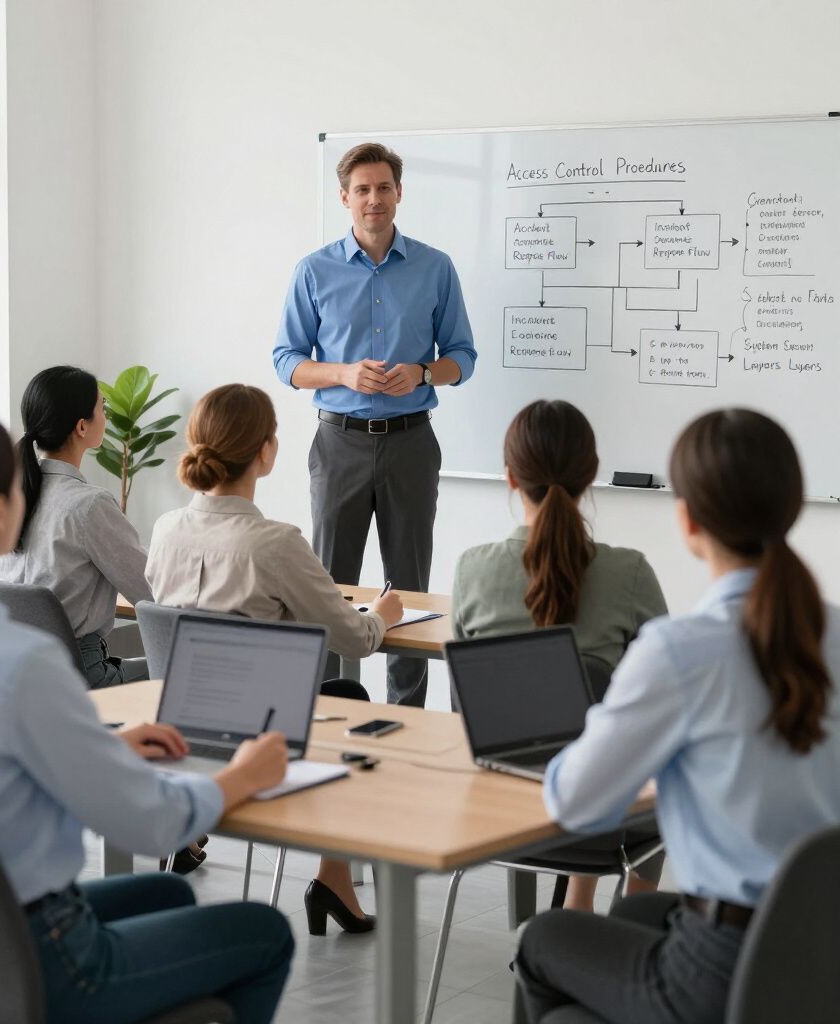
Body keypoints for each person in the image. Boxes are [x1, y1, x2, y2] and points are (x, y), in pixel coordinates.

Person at [0, 409, 295, 1023]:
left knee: (166, 892)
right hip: (39, 955)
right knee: (264, 933)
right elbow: (152, 825)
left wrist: (101, 750)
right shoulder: (19, 662)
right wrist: (244, 776)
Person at [516, 408, 840, 1024]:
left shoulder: (680, 650)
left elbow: (577, 806)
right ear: (792, 509)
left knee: (544, 937)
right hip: (823, 952)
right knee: (635, 914)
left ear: (688, 519)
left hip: (723, 970)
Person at [147, 383, 403, 933]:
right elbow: (355, 640)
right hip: (258, 732)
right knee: (352, 698)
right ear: (266, 452)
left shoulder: (165, 530)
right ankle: (334, 877)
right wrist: (384, 614)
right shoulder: (276, 543)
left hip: (178, 723)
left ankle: (191, 832)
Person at [273, 141, 477, 707]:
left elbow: (464, 356)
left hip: (411, 444)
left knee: (408, 589)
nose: (373, 199)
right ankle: (328, 708)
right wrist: (342, 373)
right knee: (326, 586)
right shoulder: (314, 270)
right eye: (361, 189)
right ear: (344, 197)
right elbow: (286, 360)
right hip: (338, 443)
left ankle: (406, 716)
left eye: (383, 187)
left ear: (399, 193)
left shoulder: (435, 267)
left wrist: (423, 372)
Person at [452, 400, 668, 912]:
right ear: (590, 476)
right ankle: (629, 924)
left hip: (494, 813)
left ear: (510, 477)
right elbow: (665, 694)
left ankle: (577, 904)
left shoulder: (472, 570)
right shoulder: (629, 574)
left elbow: (463, 706)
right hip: (602, 821)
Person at [0, 366, 151, 689]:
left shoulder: (13, 496)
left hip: (22, 673)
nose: (106, 416)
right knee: (183, 672)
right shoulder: (89, 505)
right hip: (81, 675)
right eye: (102, 408)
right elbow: (149, 589)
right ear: (82, 426)